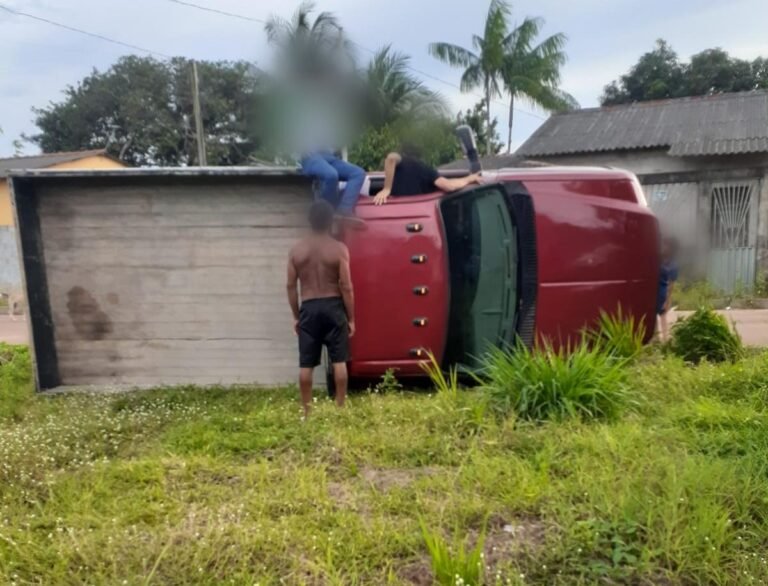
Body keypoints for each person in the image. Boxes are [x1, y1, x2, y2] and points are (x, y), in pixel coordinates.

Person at [286, 200, 355, 418]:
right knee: (339, 360)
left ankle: (306, 412)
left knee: (306, 364)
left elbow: (290, 286)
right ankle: (340, 408)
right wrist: (351, 318)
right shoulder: (339, 249)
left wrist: (297, 316)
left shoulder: (296, 250)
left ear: (310, 221)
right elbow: (346, 286)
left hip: (309, 305)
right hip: (333, 305)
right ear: (330, 221)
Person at [373, 151, 482, 205]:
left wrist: (386, 188)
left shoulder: (398, 167)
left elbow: (391, 158)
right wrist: (469, 179)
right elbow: (448, 185)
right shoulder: (422, 168)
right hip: (414, 214)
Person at [301, 151, 366, 218]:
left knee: (358, 173)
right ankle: (327, 213)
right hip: (311, 157)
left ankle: (344, 210)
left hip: (331, 158)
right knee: (331, 175)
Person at [657, 237, 680, 342]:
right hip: (653, 291)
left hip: (663, 292)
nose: (663, 247)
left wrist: (668, 299)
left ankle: (665, 340)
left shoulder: (672, 264)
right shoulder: (656, 260)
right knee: (652, 318)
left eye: (666, 245)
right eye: (663, 245)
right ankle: (655, 339)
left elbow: (671, 283)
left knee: (663, 316)